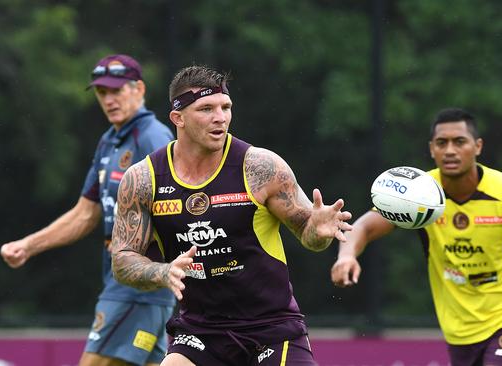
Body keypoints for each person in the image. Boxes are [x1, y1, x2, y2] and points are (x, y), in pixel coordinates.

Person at [109, 65, 353, 366]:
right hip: (200, 333)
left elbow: (310, 237)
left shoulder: (261, 168)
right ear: (178, 118)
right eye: (206, 109)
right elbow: (122, 260)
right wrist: (162, 272)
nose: (220, 118)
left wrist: (317, 229)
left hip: (272, 330)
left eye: (226, 107)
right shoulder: (144, 179)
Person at [331, 107, 502, 365]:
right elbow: (365, 226)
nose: (450, 150)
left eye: (459, 142)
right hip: (459, 331)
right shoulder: (416, 193)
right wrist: (346, 256)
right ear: (431, 149)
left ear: (478, 146)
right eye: (441, 143)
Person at [0, 54, 176, 366]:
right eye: (102, 92)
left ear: (139, 89)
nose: (109, 99)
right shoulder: (109, 142)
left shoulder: (153, 138)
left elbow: (178, 207)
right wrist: (28, 246)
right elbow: (85, 214)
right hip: (124, 282)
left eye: (117, 90)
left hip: (137, 287)